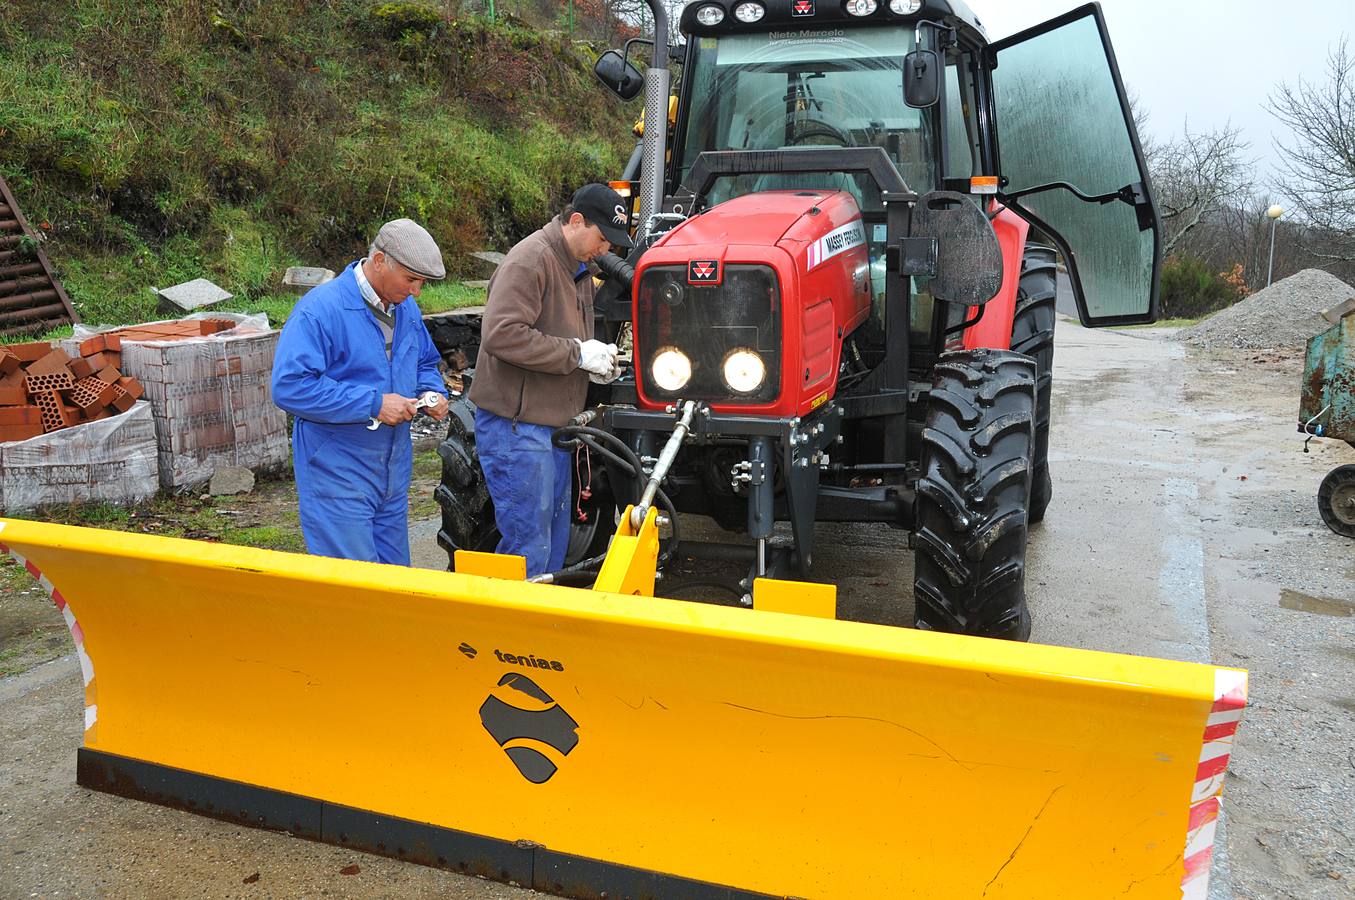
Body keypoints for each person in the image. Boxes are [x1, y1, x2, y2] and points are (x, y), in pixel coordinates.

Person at [468, 183, 632, 577]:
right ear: (576, 221)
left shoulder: (576, 271)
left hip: (552, 431)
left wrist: (596, 361)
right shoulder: (531, 261)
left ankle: (538, 629)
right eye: (602, 239)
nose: (606, 250)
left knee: (553, 546)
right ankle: (512, 635)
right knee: (528, 548)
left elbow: (563, 337)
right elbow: (501, 334)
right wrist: (577, 354)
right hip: (517, 431)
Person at [272, 218, 450, 565]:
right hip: (337, 476)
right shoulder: (320, 310)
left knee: (395, 589)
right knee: (353, 595)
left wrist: (431, 390)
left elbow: (424, 362)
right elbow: (290, 386)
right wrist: (373, 404)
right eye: (411, 280)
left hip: (392, 474)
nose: (417, 292)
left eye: (422, 282)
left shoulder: (405, 309)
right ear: (380, 261)